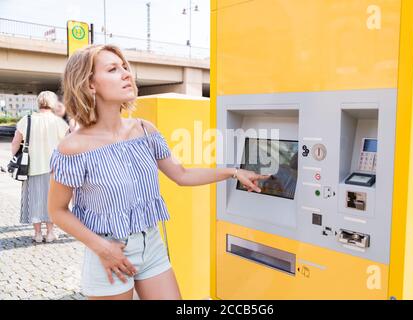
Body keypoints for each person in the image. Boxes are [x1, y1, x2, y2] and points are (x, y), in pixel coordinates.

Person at [47, 44, 268, 300]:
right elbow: (57, 211)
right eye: (113, 69)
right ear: (89, 84)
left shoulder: (145, 130)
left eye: (125, 67)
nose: (126, 73)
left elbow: (182, 175)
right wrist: (103, 248)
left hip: (150, 243)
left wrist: (233, 172)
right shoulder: (73, 147)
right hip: (108, 249)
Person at [11, 91, 69, 243]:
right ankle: (50, 233)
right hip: (54, 169)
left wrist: (14, 156)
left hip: (31, 168)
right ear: (53, 103)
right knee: (52, 201)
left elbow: (16, 142)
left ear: (39, 103)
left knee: (35, 200)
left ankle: (37, 234)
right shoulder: (59, 122)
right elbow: (68, 144)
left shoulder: (27, 119)